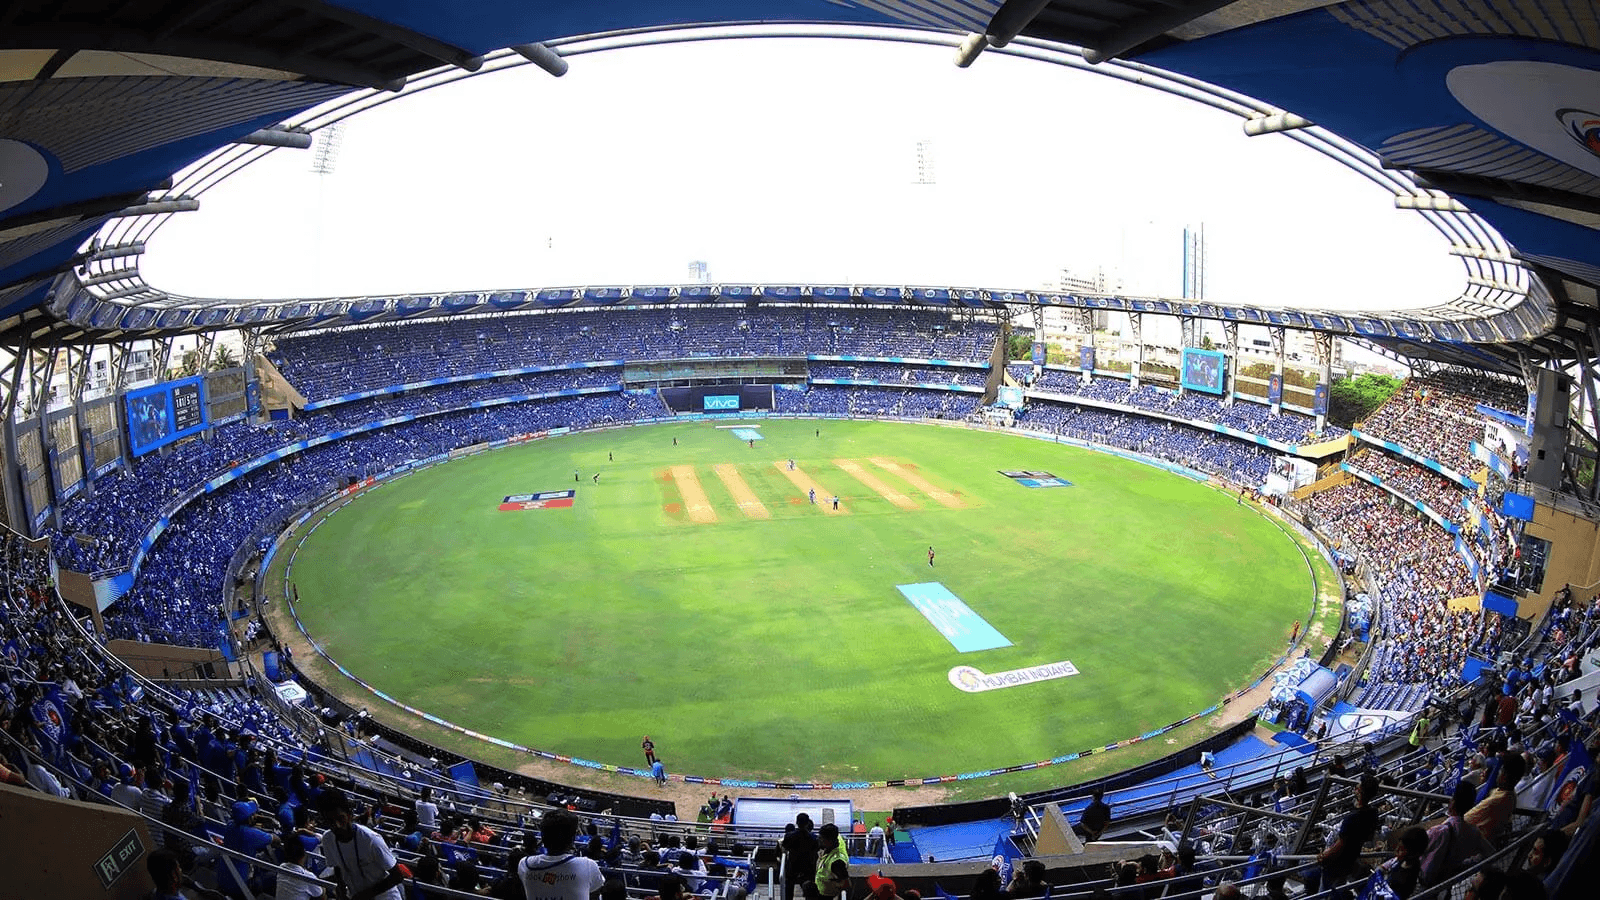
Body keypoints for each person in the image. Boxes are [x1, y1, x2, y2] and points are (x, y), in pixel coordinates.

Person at [318, 790, 404, 900]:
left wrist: (365, 895)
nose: (337, 826)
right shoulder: (328, 839)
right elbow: (337, 867)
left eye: (341, 819)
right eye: (330, 821)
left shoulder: (371, 839)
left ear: (350, 815)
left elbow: (397, 876)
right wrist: (342, 890)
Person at [1313, 773, 1382, 897]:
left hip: (1336, 861)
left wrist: (1325, 855)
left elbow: (1341, 843)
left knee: (1324, 890)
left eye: (1358, 786)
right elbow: (1368, 836)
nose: (1356, 787)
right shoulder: (1373, 813)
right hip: (1352, 857)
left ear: (1360, 792)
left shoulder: (1351, 818)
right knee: (1338, 886)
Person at [518, 809, 606, 900]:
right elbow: (594, 895)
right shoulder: (588, 866)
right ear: (572, 839)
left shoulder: (524, 865)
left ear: (542, 837)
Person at [781, 815, 819, 900]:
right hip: (808, 867)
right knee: (809, 890)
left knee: (789, 889)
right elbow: (817, 849)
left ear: (797, 823)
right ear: (807, 823)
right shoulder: (814, 838)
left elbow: (785, 847)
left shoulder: (789, 836)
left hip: (792, 866)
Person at [815, 824, 848, 899]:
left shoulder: (837, 862)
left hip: (828, 896)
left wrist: (829, 884)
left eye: (821, 838)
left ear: (829, 840)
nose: (818, 840)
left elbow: (846, 884)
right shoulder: (828, 850)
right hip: (821, 892)